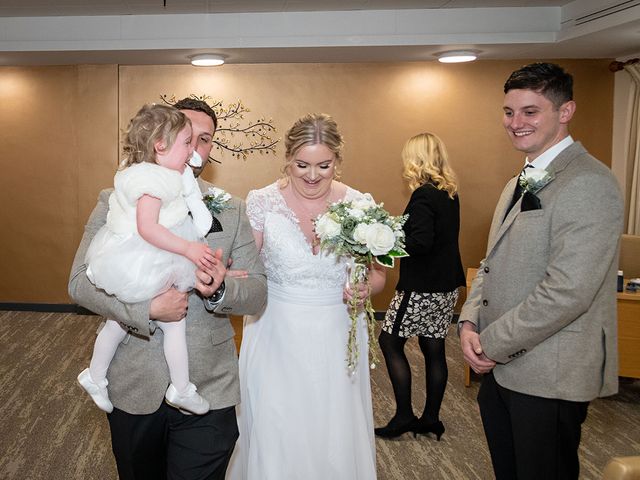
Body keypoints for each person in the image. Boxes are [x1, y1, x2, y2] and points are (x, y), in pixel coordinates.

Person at [69, 97, 267, 480]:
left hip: (209, 384)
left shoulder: (232, 209)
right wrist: (147, 310)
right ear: (162, 139)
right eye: (187, 136)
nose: (195, 146)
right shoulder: (118, 199)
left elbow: (257, 291)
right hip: (133, 381)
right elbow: (79, 282)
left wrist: (221, 288)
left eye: (205, 139)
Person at [458, 62, 623, 480]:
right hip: (504, 368)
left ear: (565, 111)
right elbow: (491, 261)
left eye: (530, 112)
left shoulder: (588, 181)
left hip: (551, 371)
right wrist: (469, 321)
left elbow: (568, 291)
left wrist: (491, 343)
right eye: (509, 112)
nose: (516, 123)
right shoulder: (518, 180)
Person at [227, 113, 385, 480]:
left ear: (337, 163)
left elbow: (378, 275)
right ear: (287, 160)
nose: (312, 175)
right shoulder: (262, 202)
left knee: (334, 423)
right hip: (276, 329)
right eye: (302, 165)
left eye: (323, 166)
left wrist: (366, 288)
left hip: (338, 327)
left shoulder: (360, 203)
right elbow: (250, 269)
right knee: (278, 421)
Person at [78, 103, 214, 416]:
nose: (190, 151)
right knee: (164, 323)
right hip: (144, 257)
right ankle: (180, 388)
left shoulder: (155, 173)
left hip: (148, 257)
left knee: (121, 323)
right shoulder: (154, 181)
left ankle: (97, 374)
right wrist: (189, 249)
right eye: (185, 144)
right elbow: (148, 228)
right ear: (160, 146)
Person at [375, 132, 465, 440]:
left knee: (389, 342)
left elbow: (421, 242)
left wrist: (386, 241)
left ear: (415, 159)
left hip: (422, 287)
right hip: (447, 284)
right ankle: (430, 419)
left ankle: (403, 416)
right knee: (433, 346)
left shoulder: (424, 194)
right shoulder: (448, 192)